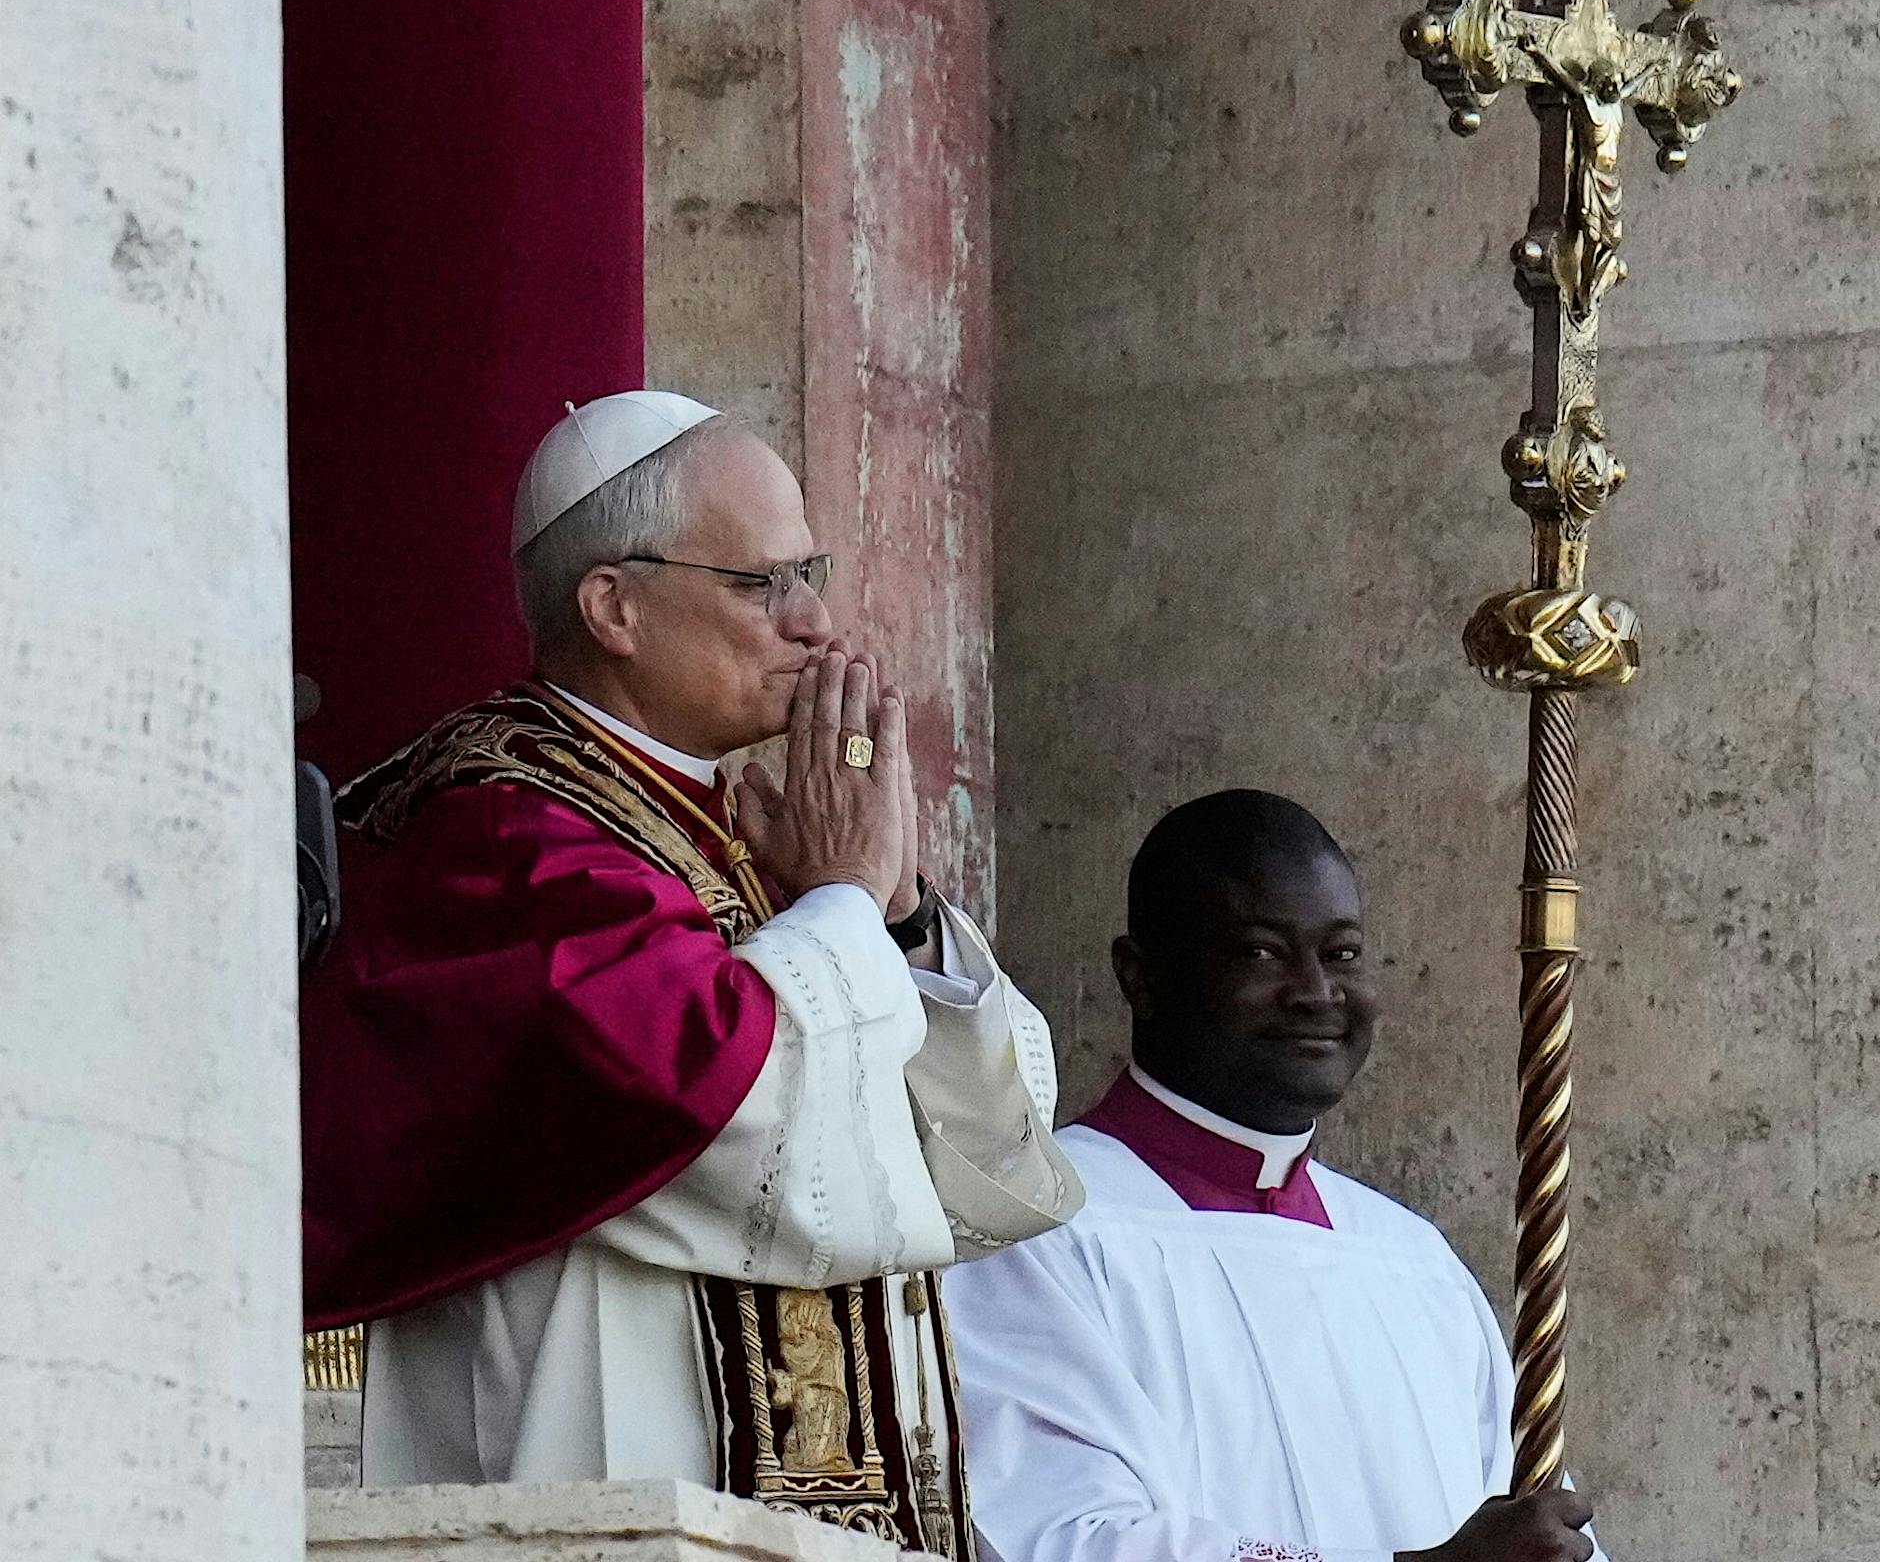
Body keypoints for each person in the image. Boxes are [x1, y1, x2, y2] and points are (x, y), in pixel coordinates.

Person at [300, 390, 1081, 1557]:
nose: (815, 621)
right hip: (604, 1477)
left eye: (808, 570)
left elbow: (982, 1158)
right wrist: (843, 902)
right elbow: (697, 1093)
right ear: (612, 604)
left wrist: (900, 910)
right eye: (761, 582)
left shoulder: (755, 834)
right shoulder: (506, 827)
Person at [943, 790, 1609, 1562]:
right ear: (1141, 977)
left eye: (1342, 953)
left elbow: (1537, 1528)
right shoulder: (1036, 1229)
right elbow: (1058, 1539)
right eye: (1262, 952)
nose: (1318, 993)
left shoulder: (1414, 1263)